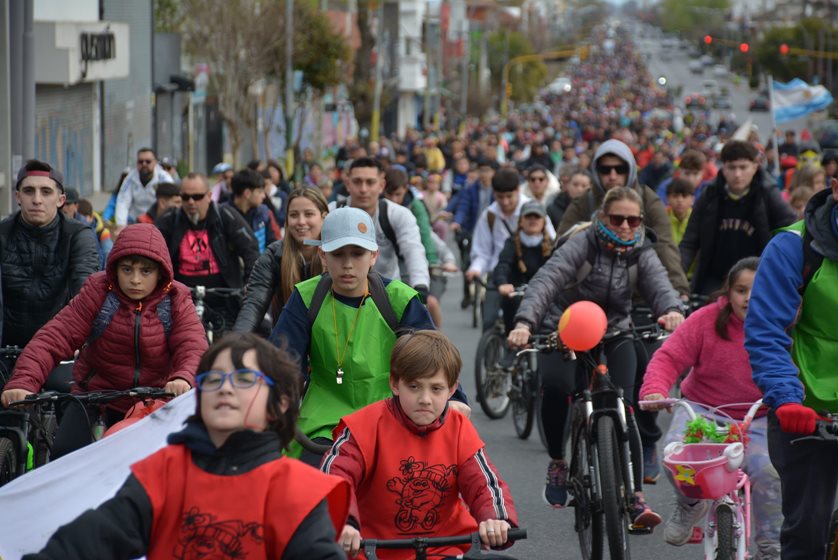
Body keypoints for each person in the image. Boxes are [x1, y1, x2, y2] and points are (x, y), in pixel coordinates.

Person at [23, 333, 351, 559]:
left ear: (279, 403)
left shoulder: (297, 488)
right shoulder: (164, 470)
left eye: (244, 379)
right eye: (213, 379)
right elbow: (95, 538)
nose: (225, 389)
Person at [508, 187, 685, 528]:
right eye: (617, 218)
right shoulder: (582, 243)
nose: (624, 226)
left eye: (632, 220)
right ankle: (559, 461)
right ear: (602, 217)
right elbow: (547, 280)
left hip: (616, 329)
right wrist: (524, 323)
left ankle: (635, 498)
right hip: (563, 327)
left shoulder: (640, 250)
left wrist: (672, 310)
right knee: (558, 388)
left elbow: (660, 284)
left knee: (625, 404)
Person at [269, 207, 469, 465]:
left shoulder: (398, 298)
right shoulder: (305, 298)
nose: (348, 264)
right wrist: (274, 398)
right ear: (323, 255)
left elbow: (433, 355)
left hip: (392, 415)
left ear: (373, 255)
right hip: (324, 421)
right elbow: (283, 359)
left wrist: (454, 399)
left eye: (358, 253)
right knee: (306, 485)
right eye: (338, 254)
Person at [0, 224, 207, 456]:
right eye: (127, 270)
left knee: (167, 461)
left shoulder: (175, 299)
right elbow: (54, 337)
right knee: (65, 454)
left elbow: (193, 345)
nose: (135, 280)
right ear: (114, 268)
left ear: (161, 272)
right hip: (95, 397)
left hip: (156, 398)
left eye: (145, 271)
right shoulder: (98, 293)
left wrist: (182, 377)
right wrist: (23, 381)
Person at [322, 330, 518, 559]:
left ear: (452, 390)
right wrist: (345, 523)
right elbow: (336, 476)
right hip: (373, 550)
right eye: (414, 387)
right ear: (395, 384)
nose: (425, 399)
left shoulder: (459, 428)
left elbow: (483, 482)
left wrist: (496, 518)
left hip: (445, 548)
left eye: (436, 389)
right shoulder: (364, 426)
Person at [640, 257, 781, 559]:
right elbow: (669, 357)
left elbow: (800, 370)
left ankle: (770, 547)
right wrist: (655, 390)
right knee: (675, 453)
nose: (749, 298)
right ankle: (690, 505)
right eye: (741, 290)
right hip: (703, 409)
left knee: (767, 472)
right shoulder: (706, 320)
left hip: (758, 415)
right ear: (728, 292)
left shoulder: (783, 324)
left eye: (757, 290)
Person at [745, 179, 838, 560]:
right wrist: (786, 398)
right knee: (807, 534)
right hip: (807, 409)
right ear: (836, 187)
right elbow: (766, 330)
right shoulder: (792, 247)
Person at [558, 139, 690, 297]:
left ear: (630, 170)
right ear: (596, 171)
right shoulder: (584, 202)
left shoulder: (648, 200)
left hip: (637, 293)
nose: (612, 176)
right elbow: (562, 248)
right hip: (588, 293)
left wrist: (680, 292)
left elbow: (665, 247)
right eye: (605, 170)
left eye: (619, 169)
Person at [0, 160, 100, 350]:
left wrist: (80, 341)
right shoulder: (3, 234)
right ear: (18, 197)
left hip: (58, 347)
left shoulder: (78, 235)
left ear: (61, 200)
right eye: (29, 191)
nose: (37, 199)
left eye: (46, 192)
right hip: (6, 348)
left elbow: (85, 292)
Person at [679, 140, 797, 296]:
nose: (737, 174)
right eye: (732, 167)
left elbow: (791, 234)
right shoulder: (709, 195)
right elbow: (689, 242)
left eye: (743, 167)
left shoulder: (768, 193)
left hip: (758, 278)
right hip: (714, 279)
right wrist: (677, 285)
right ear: (723, 168)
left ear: (755, 166)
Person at [466, 168, 556, 331]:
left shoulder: (533, 209)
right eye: (500, 197)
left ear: (517, 191)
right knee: (489, 321)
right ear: (494, 193)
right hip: (499, 274)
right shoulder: (489, 215)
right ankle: (491, 352)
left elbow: (551, 245)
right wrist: (475, 269)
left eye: (509, 197)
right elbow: (482, 251)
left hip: (532, 275)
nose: (505, 202)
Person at [330, 157, 430, 300]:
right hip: (340, 297)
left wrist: (420, 285)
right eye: (357, 182)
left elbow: (413, 250)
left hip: (387, 297)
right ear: (347, 184)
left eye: (370, 182)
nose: (363, 189)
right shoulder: (331, 213)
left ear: (381, 185)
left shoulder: (398, 214)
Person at [233, 188, 328, 333]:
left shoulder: (337, 253)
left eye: (309, 214)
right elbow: (254, 304)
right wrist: (234, 343)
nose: (301, 222)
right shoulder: (273, 255)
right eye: (294, 215)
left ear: (324, 217)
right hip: (287, 342)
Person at [156, 172, 259, 291]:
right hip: (179, 297)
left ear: (209, 196)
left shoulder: (226, 215)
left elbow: (251, 249)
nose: (191, 202)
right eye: (185, 197)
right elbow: (152, 251)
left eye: (197, 197)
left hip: (224, 296)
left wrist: (249, 287)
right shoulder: (170, 219)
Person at [493, 201, 553, 334]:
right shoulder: (512, 242)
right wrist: (503, 283)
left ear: (543, 222)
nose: (533, 220)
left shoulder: (551, 245)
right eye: (528, 217)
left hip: (542, 295)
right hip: (516, 293)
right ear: (521, 221)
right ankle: (511, 342)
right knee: (510, 303)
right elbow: (503, 265)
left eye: (537, 217)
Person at [114, 148, 175, 225]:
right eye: (140, 161)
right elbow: (122, 202)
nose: (144, 164)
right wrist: (121, 225)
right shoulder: (130, 178)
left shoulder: (164, 178)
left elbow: (173, 201)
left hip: (158, 221)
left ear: (155, 163)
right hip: (135, 221)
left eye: (148, 161)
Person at [225, 169, 280, 253]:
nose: (263, 196)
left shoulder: (264, 212)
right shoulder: (223, 215)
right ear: (247, 193)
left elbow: (272, 243)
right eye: (260, 192)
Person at [665, 178, 695, 247]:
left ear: (692, 199)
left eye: (684, 196)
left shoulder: (697, 219)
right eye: (675, 196)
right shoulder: (662, 217)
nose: (680, 200)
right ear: (667, 198)